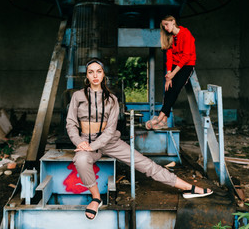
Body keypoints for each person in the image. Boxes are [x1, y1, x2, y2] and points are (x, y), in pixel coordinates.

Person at [66, 58, 213, 220]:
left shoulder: (112, 99)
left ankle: (188, 187)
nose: (95, 75)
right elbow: (71, 123)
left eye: (98, 71)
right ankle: (96, 198)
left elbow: (110, 130)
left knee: (146, 164)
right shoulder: (78, 97)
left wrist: (93, 146)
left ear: (103, 75)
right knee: (80, 159)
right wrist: (80, 143)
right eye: (91, 72)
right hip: (85, 143)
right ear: (86, 76)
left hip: (109, 142)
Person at [146, 15, 196, 130]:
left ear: (173, 21)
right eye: (163, 26)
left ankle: (159, 118)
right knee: (168, 89)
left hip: (186, 64)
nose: (165, 28)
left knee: (175, 89)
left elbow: (186, 56)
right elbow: (169, 57)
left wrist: (173, 74)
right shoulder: (170, 37)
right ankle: (163, 121)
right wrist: (169, 74)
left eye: (166, 24)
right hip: (174, 66)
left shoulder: (185, 33)